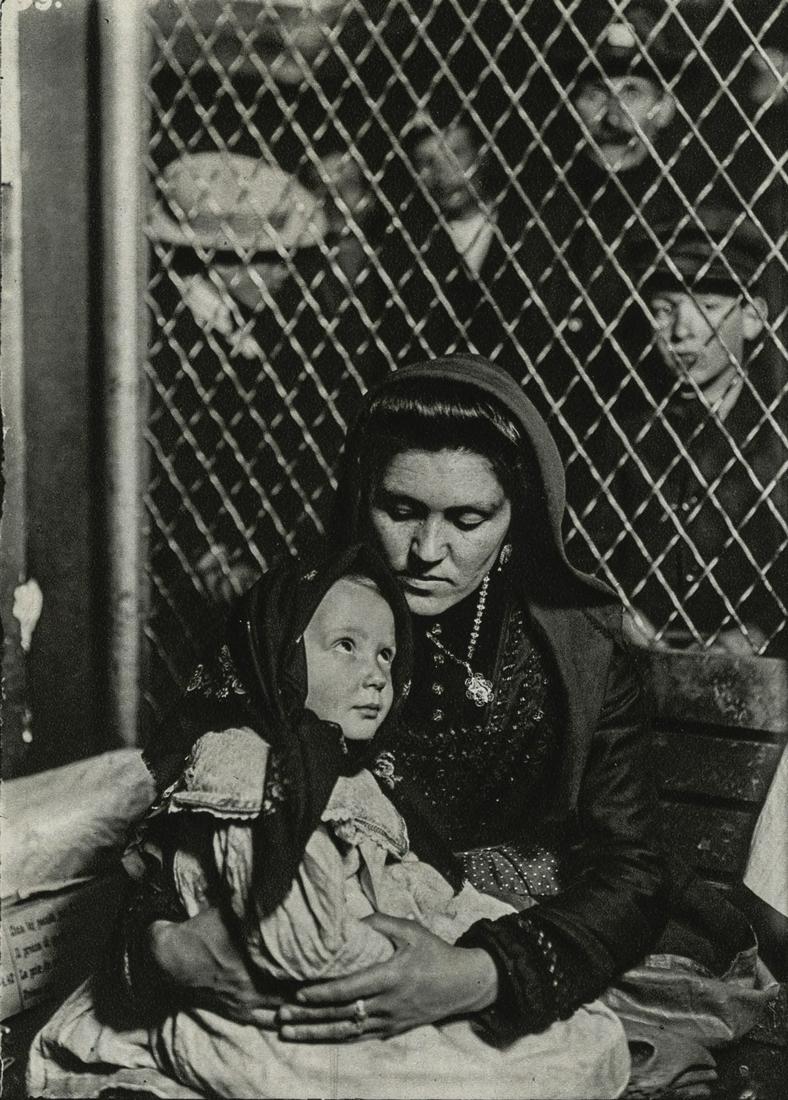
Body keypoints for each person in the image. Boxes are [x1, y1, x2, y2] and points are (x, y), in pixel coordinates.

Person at [80, 357, 774, 1095]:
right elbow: (170, 816)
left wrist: (476, 975)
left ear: (517, 522)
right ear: (359, 500)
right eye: (400, 510)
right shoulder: (288, 625)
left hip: (515, 934)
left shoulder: (579, 652)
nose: (427, 551)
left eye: (469, 520)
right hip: (321, 926)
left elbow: (629, 868)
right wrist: (171, 951)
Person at [27, 544, 630, 1099]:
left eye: (388, 656)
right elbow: (298, 945)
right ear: (278, 651)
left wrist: (462, 951)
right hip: (277, 1012)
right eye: (346, 646)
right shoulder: (248, 765)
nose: (376, 675)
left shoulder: (350, 773)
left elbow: (416, 884)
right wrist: (407, 967)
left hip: (353, 989)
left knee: (588, 1038)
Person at [573, 207, 788, 656]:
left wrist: (762, 630)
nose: (682, 332)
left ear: (752, 317)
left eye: (708, 308)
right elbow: (589, 549)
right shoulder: (622, 432)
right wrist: (620, 613)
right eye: (664, 309)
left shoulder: (778, 434)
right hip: (642, 662)